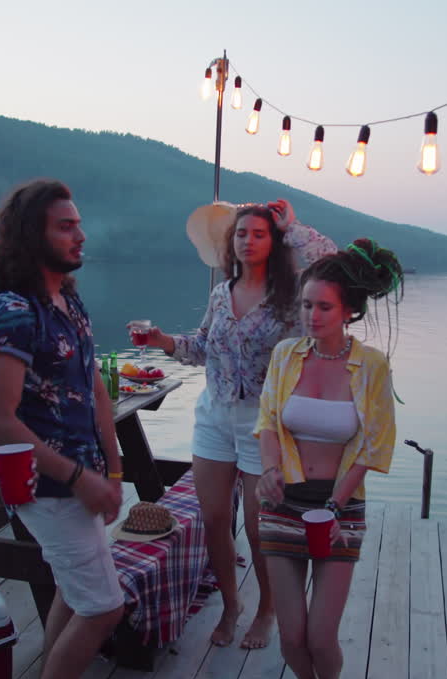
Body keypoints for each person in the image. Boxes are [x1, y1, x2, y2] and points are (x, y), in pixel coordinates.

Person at [141, 198, 335, 649]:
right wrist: (163, 341)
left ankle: (267, 606)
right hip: (214, 415)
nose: (248, 241)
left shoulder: (294, 299)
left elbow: (332, 261)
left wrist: (293, 226)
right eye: (242, 233)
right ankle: (231, 605)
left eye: (259, 234)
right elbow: (204, 347)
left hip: (263, 422)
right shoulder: (219, 292)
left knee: (257, 525)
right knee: (212, 518)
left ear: (275, 242)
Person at [0, 178, 125, 679]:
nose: (80, 235)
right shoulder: (12, 311)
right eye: (66, 226)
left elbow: (93, 384)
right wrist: (78, 477)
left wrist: (112, 459)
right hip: (43, 485)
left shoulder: (66, 299)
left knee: (73, 587)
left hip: (81, 474)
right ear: (29, 234)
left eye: (79, 224)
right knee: (104, 607)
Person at [255, 239, 401, 679]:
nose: (312, 316)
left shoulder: (372, 366)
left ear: (349, 312)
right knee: (292, 635)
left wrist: (336, 507)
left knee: (321, 634)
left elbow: (375, 445)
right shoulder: (285, 355)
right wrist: (271, 470)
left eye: (323, 306)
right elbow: (268, 422)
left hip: (339, 506)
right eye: (305, 305)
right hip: (282, 504)